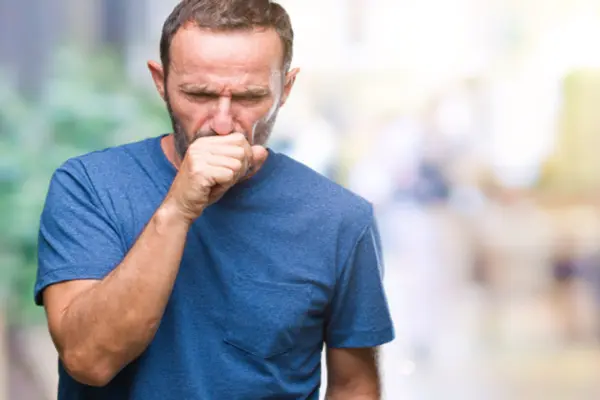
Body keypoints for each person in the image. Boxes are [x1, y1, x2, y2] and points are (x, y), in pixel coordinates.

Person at [34, 1, 395, 399]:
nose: (223, 123)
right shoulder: (89, 187)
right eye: (199, 94)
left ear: (285, 88)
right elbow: (89, 360)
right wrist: (178, 209)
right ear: (161, 80)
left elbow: (355, 385)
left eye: (249, 97)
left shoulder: (341, 218)